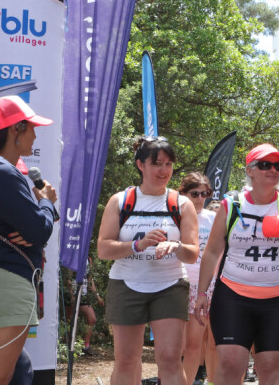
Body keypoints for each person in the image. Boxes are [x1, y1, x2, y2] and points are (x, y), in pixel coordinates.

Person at [195, 143, 279, 385]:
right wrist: (202, 292)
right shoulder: (231, 205)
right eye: (264, 165)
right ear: (250, 170)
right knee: (230, 365)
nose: (272, 170)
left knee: (270, 369)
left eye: (277, 166)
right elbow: (213, 250)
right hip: (233, 297)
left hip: (278, 301)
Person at [0, 95, 57, 385]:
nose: (34, 133)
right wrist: (47, 204)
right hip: (5, 279)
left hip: (5, 279)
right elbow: (39, 230)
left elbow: (32, 231)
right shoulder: (0, 171)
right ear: (15, 129)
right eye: (30, 127)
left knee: (0, 378)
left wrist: (35, 225)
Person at [98, 135, 199, 385]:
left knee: (170, 359)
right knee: (127, 360)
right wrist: (137, 245)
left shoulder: (182, 204)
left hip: (170, 285)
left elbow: (193, 253)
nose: (164, 170)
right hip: (126, 283)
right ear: (140, 165)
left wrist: (175, 246)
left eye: (168, 164)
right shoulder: (121, 201)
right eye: (157, 163)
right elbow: (103, 249)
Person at [178, 172, 217, 385]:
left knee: (194, 345)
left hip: (203, 287)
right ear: (183, 193)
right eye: (195, 194)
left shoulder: (213, 218)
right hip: (176, 284)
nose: (201, 198)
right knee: (174, 347)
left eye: (205, 193)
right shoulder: (175, 216)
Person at [65, 256, 104, 356]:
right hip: (73, 294)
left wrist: (97, 296)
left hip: (83, 295)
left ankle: (85, 346)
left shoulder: (88, 259)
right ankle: (68, 346)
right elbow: (68, 278)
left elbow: (90, 280)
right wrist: (71, 293)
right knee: (71, 320)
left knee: (92, 319)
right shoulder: (73, 256)